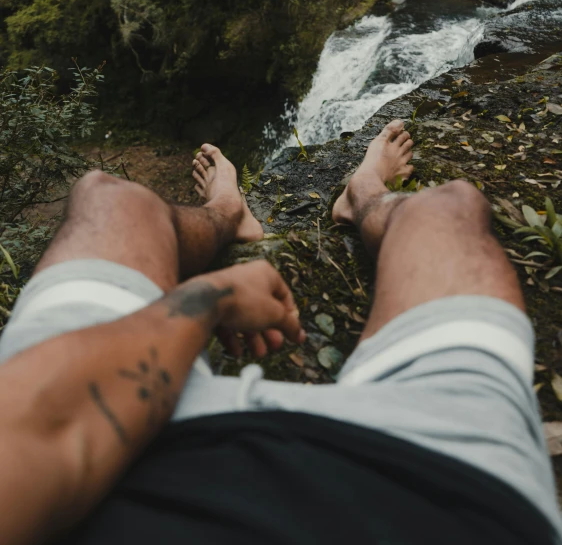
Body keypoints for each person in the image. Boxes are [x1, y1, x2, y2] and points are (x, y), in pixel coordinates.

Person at [0, 119, 559, 544]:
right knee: (450, 208)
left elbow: (41, 423)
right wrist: (207, 298)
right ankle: (365, 191)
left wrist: (206, 297)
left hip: (126, 458)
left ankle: (226, 209)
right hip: (442, 484)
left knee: (109, 198)